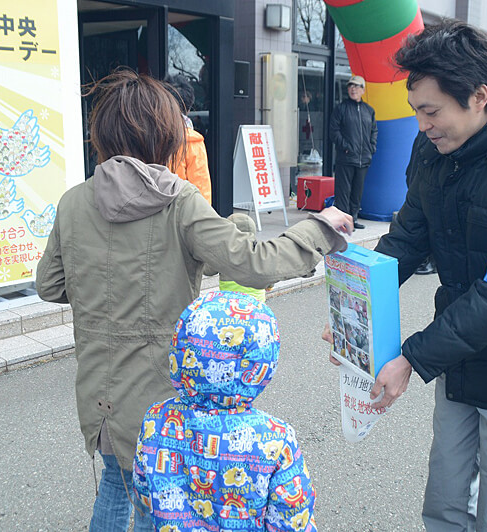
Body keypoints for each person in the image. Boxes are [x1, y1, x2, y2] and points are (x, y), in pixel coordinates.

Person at [35, 68, 352, 532]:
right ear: (165, 137)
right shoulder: (179, 200)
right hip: (156, 397)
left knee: (114, 486)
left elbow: (50, 284)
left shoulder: (74, 201)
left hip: (98, 396)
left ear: (101, 135)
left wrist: (100, 290)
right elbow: (254, 262)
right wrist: (321, 228)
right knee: (154, 503)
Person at [328, 20, 487, 531]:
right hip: (460, 354)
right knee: (443, 499)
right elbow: (406, 238)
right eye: (416, 110)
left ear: (479, 96)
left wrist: (411, 359)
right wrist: (352, 308)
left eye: (431, 111)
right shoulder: (433, 150)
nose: (422, 125)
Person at [133, 291, 317, 531]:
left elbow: (143, 488)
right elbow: (292, 518)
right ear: (261, 362)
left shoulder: (156, 419)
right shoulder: (275, 438)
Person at [329, 75, 377, 230]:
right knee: (343, 191)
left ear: (363, 90)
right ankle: (342, 221)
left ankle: (353, 218)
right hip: (346, 157)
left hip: (363, 159)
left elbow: (373, 131)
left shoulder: (368, 110)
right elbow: (333, 131)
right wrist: (346, 147)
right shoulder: (341, 108)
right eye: (350, 86)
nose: (353, 89)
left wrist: (371, 148)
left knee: (357, 191)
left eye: (356, 86)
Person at [165, 73, 213, 204]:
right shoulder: (192, 141)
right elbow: (202, 190)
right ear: (189, 105)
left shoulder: (148, 136)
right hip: (182, 214)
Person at [203, 213, 268, 302]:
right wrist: (269, 286)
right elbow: (269, 272)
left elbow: (208, 271)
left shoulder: (222, 253)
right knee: (255, 315)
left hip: (230, 303)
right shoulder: (260, 251)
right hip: (256, 302)